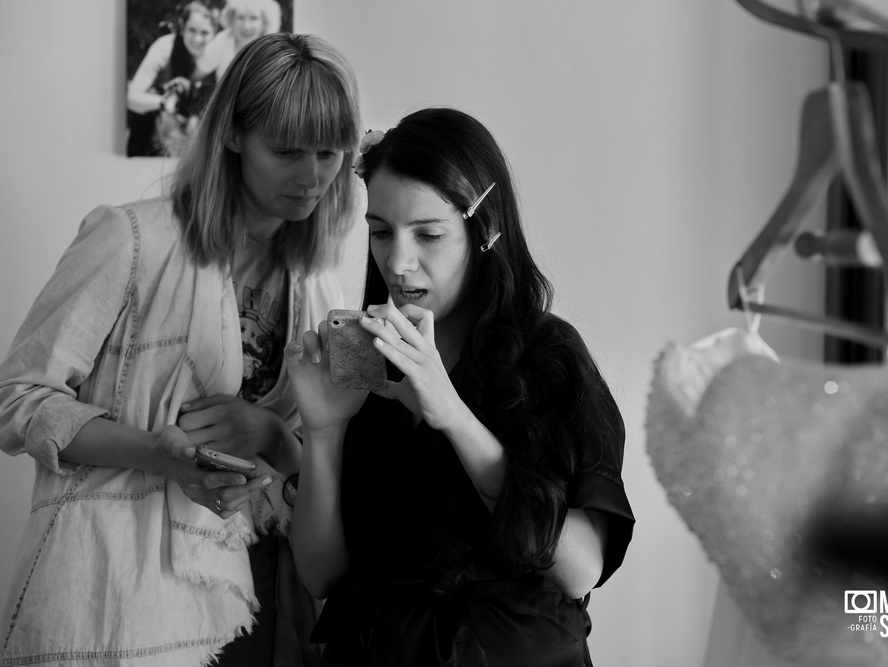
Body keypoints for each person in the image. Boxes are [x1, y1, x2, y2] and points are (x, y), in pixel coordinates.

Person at [0, 33, 361, 666]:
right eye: (286, 151)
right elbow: (18, 399)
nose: (312, 178)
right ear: (231, 136)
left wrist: (273, 436)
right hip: (122, 594)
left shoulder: (321, 284)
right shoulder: (130, 238)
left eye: (329, 153)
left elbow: (337, 465)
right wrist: (155, 453)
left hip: (265, 598)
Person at [285, 107, 635, 666]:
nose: (399, 262)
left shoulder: (548, 355)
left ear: (484, 232)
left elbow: (580, 568)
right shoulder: (362, 348)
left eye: (428, 234)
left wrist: (450, 413)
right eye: (380, 232)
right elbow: (323, 574)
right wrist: (325, 432)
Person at [126, 1, 219, 157]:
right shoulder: (164, 48)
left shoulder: (220, 54)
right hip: (157, 130)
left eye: (204, 33)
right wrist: (163, 103)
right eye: (192, 30)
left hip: (200, 133)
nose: (197, 39)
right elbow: (131, 98)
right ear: (182, 26)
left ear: (214, 31)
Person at [199, 0, 282, 80]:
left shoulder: (273, 49)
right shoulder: (223, 40)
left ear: (265, 22)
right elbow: (197, 74)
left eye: (253, 18)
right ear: (232, 19)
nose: (246, 26)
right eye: (240, 17)